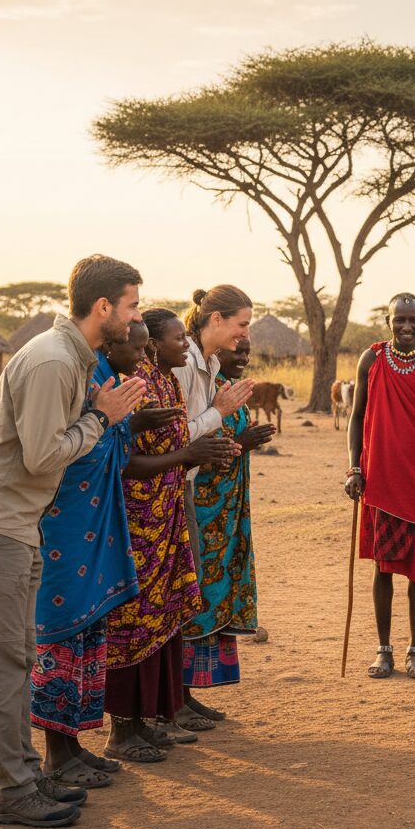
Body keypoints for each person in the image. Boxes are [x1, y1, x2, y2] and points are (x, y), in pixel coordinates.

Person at [0, 254, 146, 827]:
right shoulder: (56, 362)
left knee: (20, 654)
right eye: (130, 307)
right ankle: (9, 790)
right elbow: (42, 456)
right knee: (2, 661)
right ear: (103, 307)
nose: (134, 320)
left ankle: (26, 774)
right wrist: (101, 418)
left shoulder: (72, 358)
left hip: (14, 523)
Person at [30, 321, 184, 788]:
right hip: (65, 525)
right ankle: (56, 755)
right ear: (110, 341)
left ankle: (73, 746)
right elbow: (64, 450)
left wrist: (129, 423)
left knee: (86, 635)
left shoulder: (106, 379)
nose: (142, 358)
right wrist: (117, 423)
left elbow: (108, 447)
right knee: (61, 635)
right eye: (136, 348)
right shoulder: (78, 374)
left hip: (92, 526)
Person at [103, 310, 237, 763]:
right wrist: (188, 453)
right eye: (179, 338)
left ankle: (153, 717)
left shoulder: (170, 381)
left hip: (167, 515)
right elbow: (124, 460)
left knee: (165, 615)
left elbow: (176, 444)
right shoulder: (136, 383)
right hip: (138, 521)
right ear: (153, 345)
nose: (186, 344)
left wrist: (198, 453)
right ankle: (122, 729)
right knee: (133, 620)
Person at [344, 293, 415, 681]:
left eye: (414, 320)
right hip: (383, 480)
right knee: (383, 567)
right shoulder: (372, 359)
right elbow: (356, 417)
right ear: (388, 320)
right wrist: (354, 468)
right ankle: (383, 649)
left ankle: (414, 649)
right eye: (399, 320)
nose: (406, 327)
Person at [172, 286, 255, 730]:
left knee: (191, 591)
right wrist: (220, 412)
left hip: (187, 489)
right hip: (178, 490)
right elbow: (176, 437)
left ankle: (181, 698)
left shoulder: (208, 364)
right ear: (217, 319)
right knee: (182, 595)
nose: (245, 334)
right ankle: (172, 701)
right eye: (241, 324)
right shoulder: (184, 362)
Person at [183, 337, 275, 697]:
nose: (245, 357)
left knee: (217, 593)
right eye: (237, 351)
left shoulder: (228, 390)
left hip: (228, 512)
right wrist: (244, 442)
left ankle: (193, 691)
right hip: (204, 512)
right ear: (216, 352)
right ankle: (180, 695)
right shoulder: (207, 392)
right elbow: (194, 451)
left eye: (248, 351)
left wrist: (246, 440)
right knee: (196, 593)